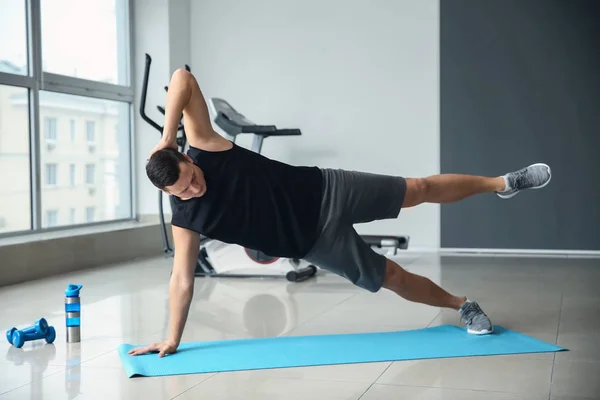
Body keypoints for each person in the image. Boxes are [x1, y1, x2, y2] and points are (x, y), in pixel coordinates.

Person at [128, 69, 552, 358]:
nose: (195, 188)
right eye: (184, 191)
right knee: (392, 278)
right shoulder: (186, 219)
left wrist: (167, 136)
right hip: (315, 243)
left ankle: (502, 183)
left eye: (193, 177)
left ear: (184, 157)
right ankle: (463, 306)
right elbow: (182, 280)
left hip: (328, 188)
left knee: (418, 188)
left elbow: (181, 78)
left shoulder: (204, 142)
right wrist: (171, 338)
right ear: (171, 194)